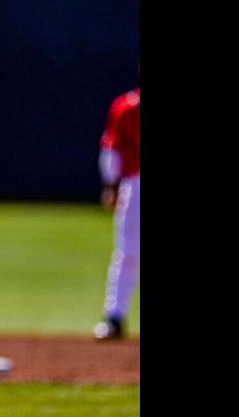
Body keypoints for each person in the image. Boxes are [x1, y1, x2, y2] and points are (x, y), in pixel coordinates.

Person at [94, 83, 140, 341]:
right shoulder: (128, 106)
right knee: (129, 253)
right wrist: (111, 184)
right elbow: (112, 146)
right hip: (136, 183)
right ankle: (115, 317)